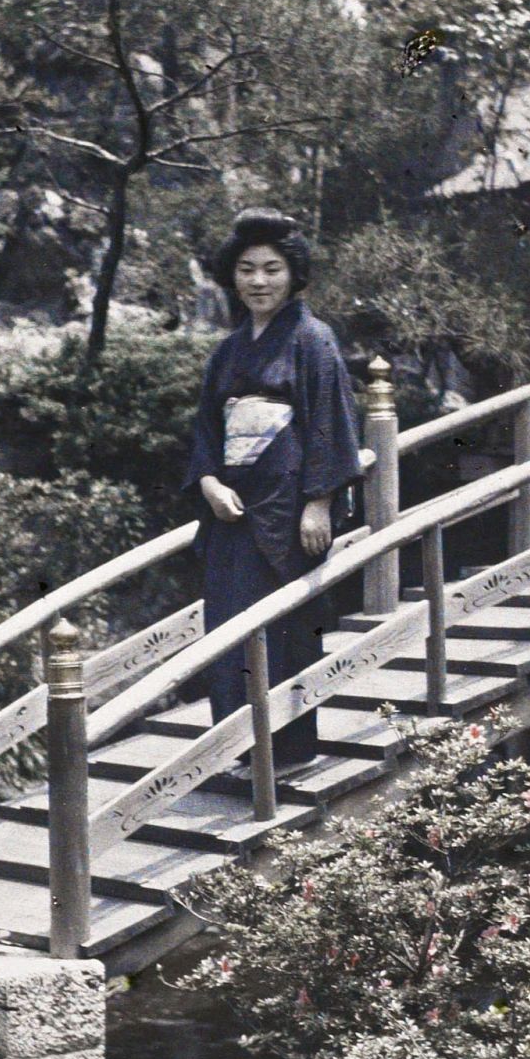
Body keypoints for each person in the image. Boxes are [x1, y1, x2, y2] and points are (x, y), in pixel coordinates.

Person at [185, 208, 364, 770]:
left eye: (271, 269)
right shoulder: (229, 349)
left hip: (287, 507)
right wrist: (210, 481)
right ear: (231, 276)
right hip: (232, 509)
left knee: (285, 629)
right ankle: (241, 751)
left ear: (293, 274)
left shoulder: (313, 339)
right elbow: (206, 429)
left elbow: (331, 422)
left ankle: (288, 753)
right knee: (229, 628)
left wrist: (320, 502)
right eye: (246, 270)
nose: (258, 282)